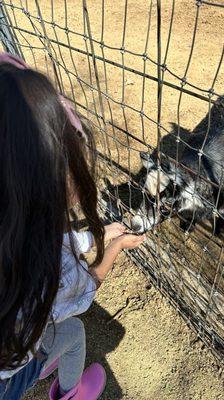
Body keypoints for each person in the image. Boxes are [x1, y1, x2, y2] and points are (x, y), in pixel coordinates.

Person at [0, 52, 145, 400]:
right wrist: (111, 248)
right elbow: (84, 290)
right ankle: (69, 392)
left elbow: (53, 243)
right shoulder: (46, 270)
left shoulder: (14, 230)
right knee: (74, 332)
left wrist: (90, 237)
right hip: (6, 377)